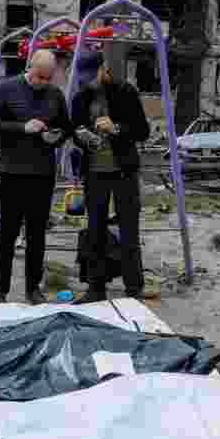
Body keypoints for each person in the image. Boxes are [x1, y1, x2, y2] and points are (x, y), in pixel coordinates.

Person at [0, 49, 72, 305]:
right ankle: (0, 290)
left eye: (47, 78)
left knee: (37, 235)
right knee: (7, 234)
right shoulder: (5, 89)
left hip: (43, 174)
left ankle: (33, 288)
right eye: (39, 77)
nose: (42, 82)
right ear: (29, 68)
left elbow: (66, 127)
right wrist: (23, 127)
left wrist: (56, 136)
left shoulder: (55, 95)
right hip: (12, 172)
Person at [69, 51, 150, 304]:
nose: (86, 83)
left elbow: (142, 131)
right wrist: (82, 137)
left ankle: (133, 290)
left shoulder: (125, 92)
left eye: (90, 78)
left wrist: (115, 128)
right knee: (95, 231)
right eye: (82, 79)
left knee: (129, 230)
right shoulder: (81, 96)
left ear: (103, 69)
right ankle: (95, 288)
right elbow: (75, 129)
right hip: (95, 173)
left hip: (124, 171)